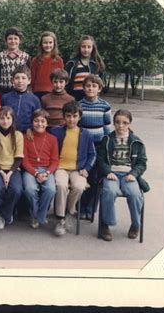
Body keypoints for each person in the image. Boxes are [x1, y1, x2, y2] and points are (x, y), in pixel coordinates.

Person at [97, 109, 149, 241]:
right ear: (114, 123)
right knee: (109, 191)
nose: (121, 126)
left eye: (125, 123)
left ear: (130, 124)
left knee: (135, 194)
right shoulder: (107, 139)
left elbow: (142, 163)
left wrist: (134, 173)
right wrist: (108, 172)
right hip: (112, 174)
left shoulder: (136, 142)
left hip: (128, 175)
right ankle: (106, 224)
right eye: (118, 122)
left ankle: (136, 225)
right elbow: (100, 160)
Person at [49, 101, 96, 236]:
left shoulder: (86, 134)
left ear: (79, 117)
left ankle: (69, 210)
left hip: (78, 169)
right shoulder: (56, 132)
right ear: (64, 117)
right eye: (68, 116)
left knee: (79, 186)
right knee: (61, 185)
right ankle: (60, 218)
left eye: (75, 116)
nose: (71, 119)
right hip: (61, 167)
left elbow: (92, 154)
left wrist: (87, 168)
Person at [78, 74, 112, 220]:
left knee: (95, 178)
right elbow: (76, 127)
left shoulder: (105, 106)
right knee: (83, 177)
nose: (90, 88)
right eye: (87, 86)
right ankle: (81, 207)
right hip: (83, 148)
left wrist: (107, 147)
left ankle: (91, 208)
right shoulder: (79, 105)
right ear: (83, 88)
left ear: (99, 89)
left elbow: (107, 129)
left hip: (98, 147)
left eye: (94, 86)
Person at [0, 106, 24, 230]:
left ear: (12, 119)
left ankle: (3, 213)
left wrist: (10, 173)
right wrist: (2, 173)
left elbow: (19, 158)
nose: (5, 121)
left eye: (8, 118)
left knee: (17, 189)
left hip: (13, 169)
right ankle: (4, 214)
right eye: (2, 118)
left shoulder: (18, 135)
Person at [21, 109, 58, 229]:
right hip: (31, 170)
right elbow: (24, 160)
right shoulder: (26, 137)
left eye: (43, 121)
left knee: (51, 189)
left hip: (47, 170)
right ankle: (37, 215)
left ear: (47, 123)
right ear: (32, 122)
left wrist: (46, 173)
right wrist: (36, 174)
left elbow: (55, 161)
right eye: (36, 121)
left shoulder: (52, 139)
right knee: (30, 189)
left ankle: (39, 216)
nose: (39, 124)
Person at [1, 65, 41, 133]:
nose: (20, 81)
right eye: (17, 78)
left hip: (27, 133)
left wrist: (31, 129)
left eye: (23, 78)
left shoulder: (34, 99)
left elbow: (37, 117)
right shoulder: (5, 98)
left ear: (29, 81)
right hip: (8, 132)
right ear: (12, 80)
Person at [65, 35, 105, 101]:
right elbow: (67, 83)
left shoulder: (97, 65)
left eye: (89, 47)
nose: (86, 50)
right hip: (74, 99)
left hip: (91, 100)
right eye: (83, 47)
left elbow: (99, 84)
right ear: (79, 48)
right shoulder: (72, 64)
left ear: (93, 48)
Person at [0, 27, 31, 95]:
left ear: (20, 40)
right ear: (6, 41)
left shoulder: (25, 57)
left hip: (21, 90)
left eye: (15, 38)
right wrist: (1, 86)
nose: (13, 41)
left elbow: (29, 74)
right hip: (4, 91)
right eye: (10, 39)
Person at [30, 31, 64, 99]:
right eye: (45, 43)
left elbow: (61, 78)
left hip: (53, 92)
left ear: (54, 44)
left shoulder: (58, 60)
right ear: (41, 44)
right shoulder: (35, 60)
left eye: (50, 42)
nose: (48, 45)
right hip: (38, 93)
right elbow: (32, 79)